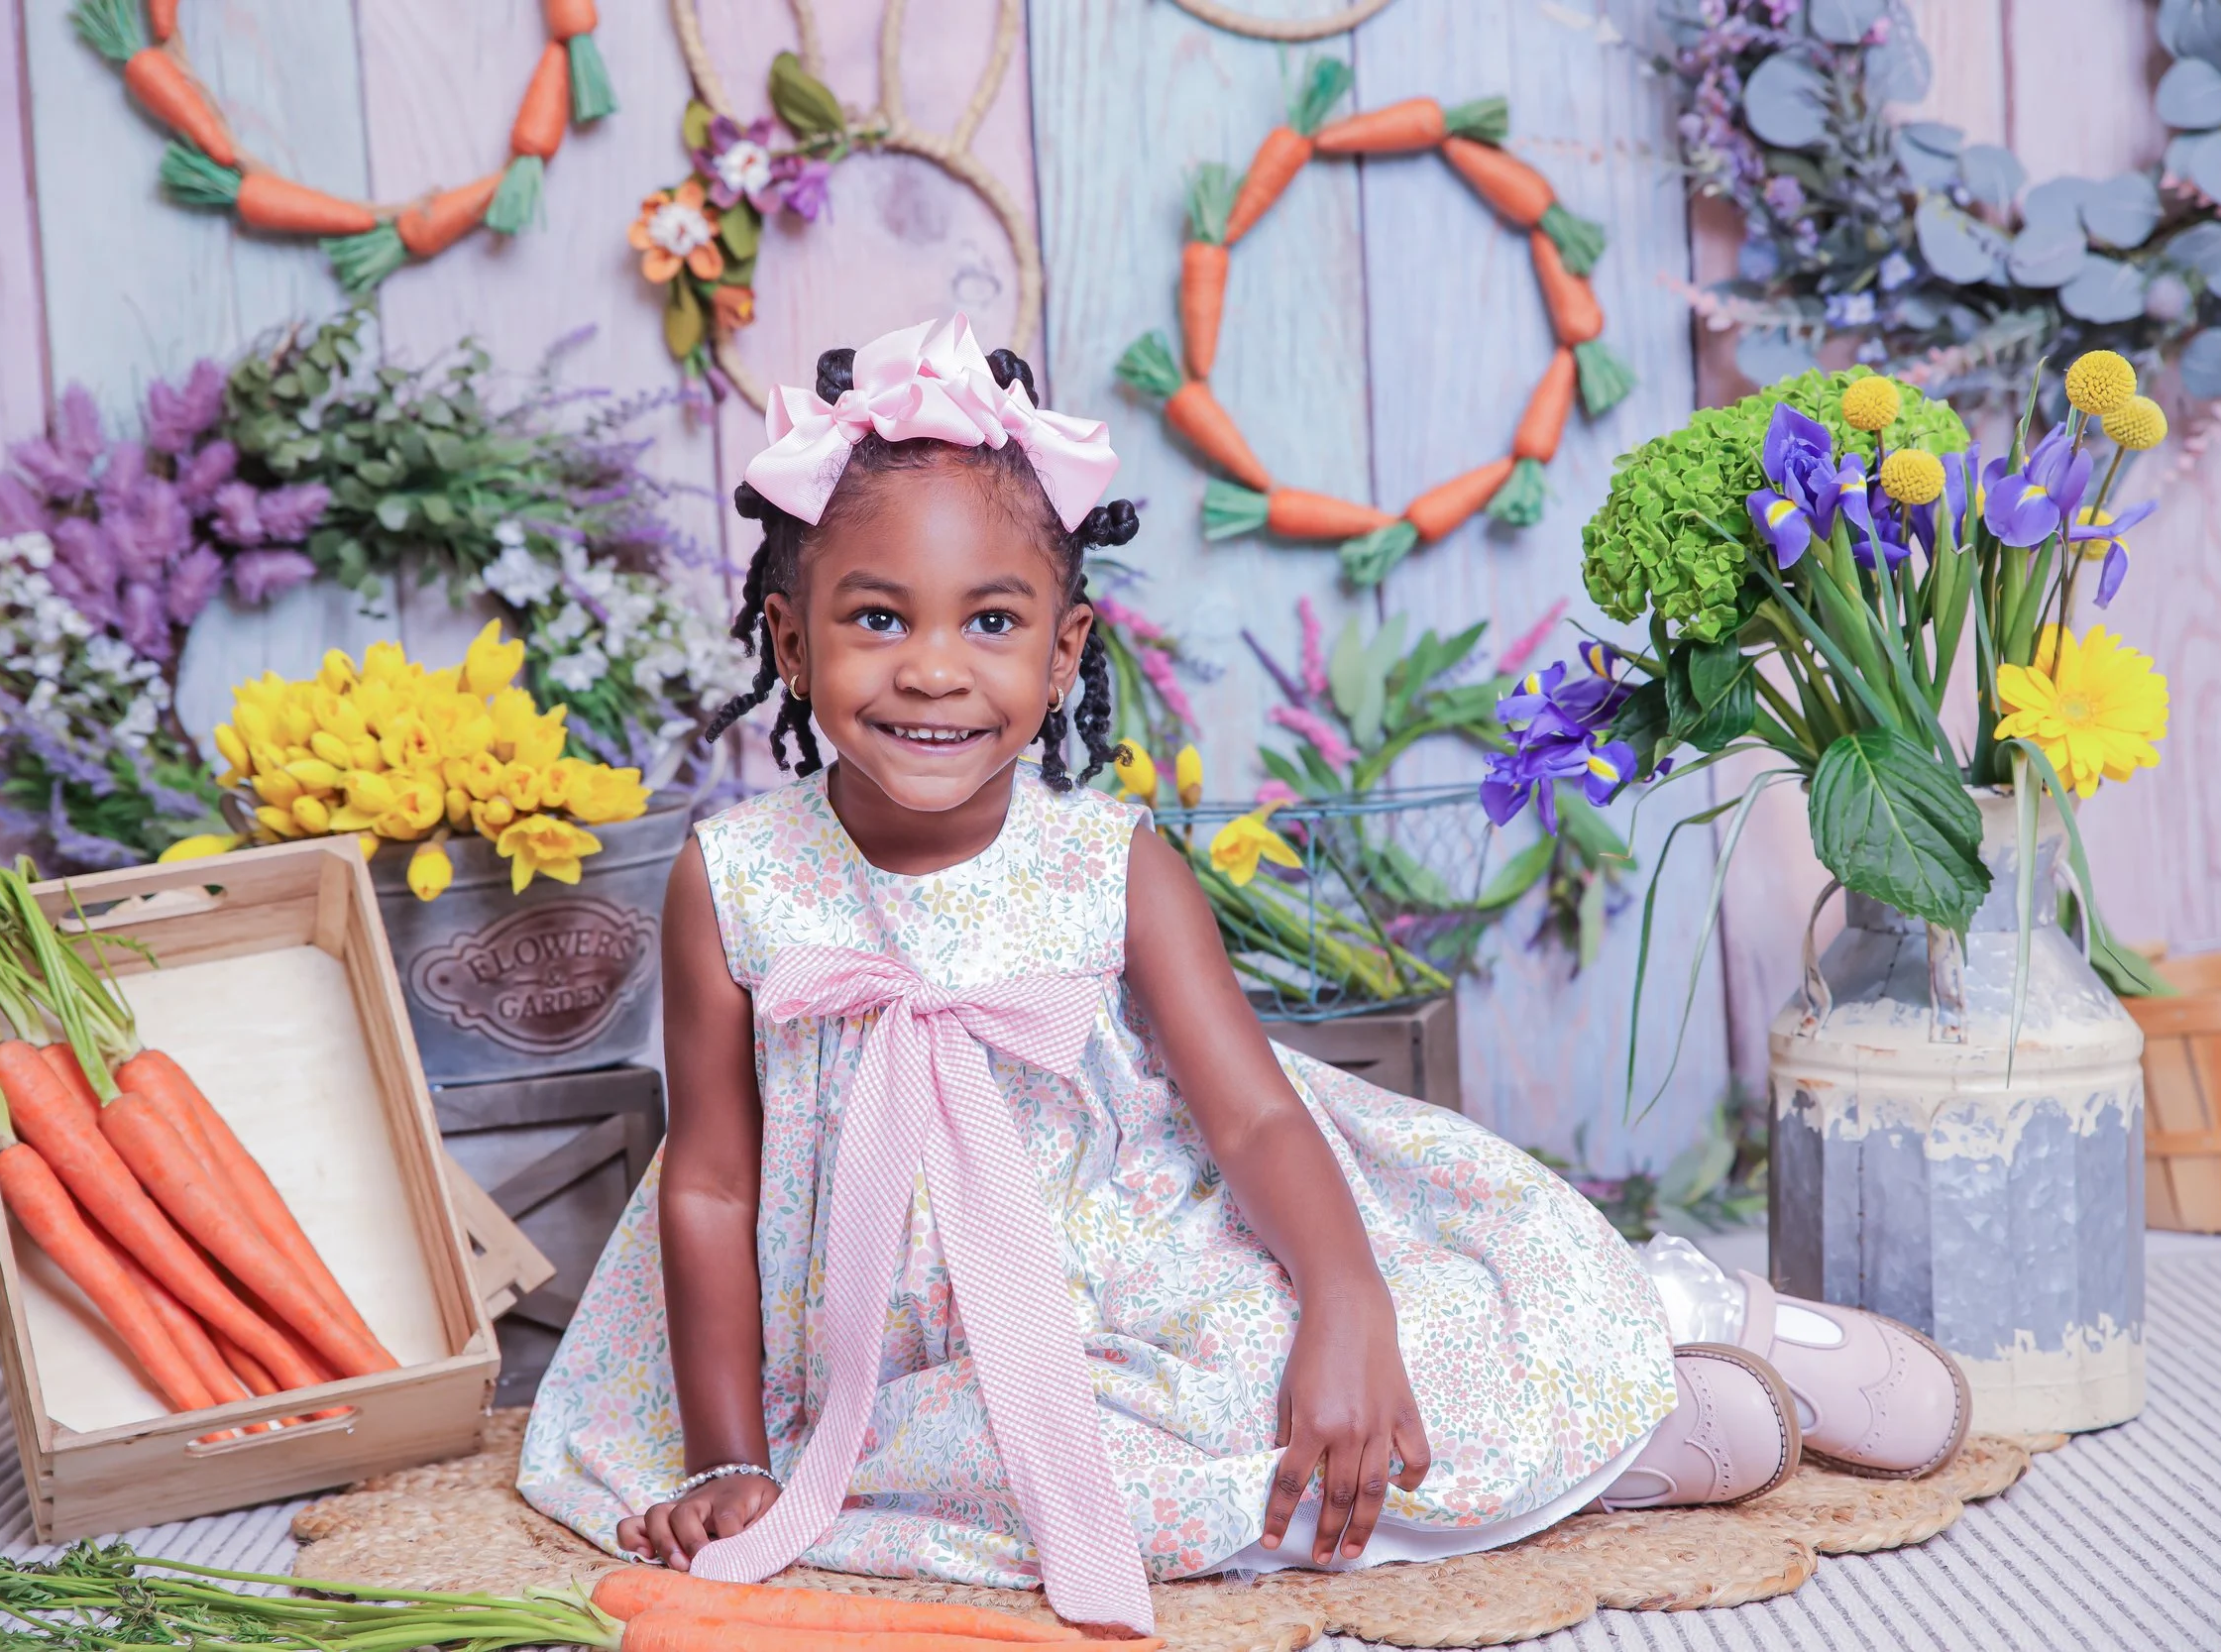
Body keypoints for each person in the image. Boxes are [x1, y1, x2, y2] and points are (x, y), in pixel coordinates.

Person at [517, 316, 1968, 1635]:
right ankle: (1596, 1459)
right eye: (878, 618)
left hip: (1144, 1265)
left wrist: (1342, 1298)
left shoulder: (1106, 860)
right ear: (791, 637)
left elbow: (1257, 1122)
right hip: (885, 1357)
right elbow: (708, 1179)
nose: (934, 670)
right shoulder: (736, 875)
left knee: (1347, 1344)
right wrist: (725, 1454)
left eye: (993, 620)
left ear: (1067, 644)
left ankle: (1679, 1321)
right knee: (988, 1483)